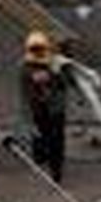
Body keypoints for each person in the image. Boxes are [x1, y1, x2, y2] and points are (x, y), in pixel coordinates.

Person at [19, 31, 72, 182]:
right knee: (41, 137)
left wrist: (55, 75)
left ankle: (56, 170)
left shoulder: (56, 64)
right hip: (38, 109)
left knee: (56, 140)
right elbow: (25, 91)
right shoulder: (25, 67)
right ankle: (40, 158)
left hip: (55, 109)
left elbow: (66, 83)